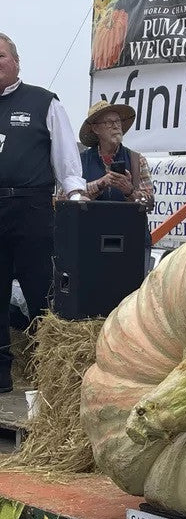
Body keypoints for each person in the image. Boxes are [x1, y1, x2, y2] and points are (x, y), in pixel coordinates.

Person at [0, 32, 86, 393]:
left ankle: (51, 374)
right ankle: (1, 374)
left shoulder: (43, 102)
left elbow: (66, 158)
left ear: (16, 62)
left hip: (32, 208)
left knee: (41, 290)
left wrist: (76, 194)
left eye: (0, 56)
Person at [78, 100, 155, 273]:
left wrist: (129, 191)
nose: (116, 126)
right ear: (95, 129)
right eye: (109, 122)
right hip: (90, 242)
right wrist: (101, 183)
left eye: (118, 122)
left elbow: (149, 202)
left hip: (131, 242)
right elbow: (66, 198)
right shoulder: (81, 161)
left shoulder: (136, 160)